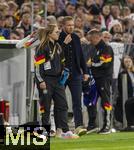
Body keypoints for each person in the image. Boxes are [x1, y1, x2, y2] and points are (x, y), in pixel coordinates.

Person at [34, 24, 79, 139]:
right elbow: (37, 67)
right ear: (49, 34)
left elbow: (63, 61)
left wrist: (64, 71)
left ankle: (65, 131)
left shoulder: (58, 46)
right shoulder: (41, 47)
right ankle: (44, 131)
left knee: (63, 105)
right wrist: (40, 81)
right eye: (56, 32)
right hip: (46, 80)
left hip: (58, 81)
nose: (58, 34)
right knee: (46, 107)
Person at [58, 16, 89, 136]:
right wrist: (64, 44)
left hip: (75, 74)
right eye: (69, 25)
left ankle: (79, 126)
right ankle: (61, 127)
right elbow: (57, 55)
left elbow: (81, 56)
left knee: (77, 101)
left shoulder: (76, 37)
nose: (71, 27)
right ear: (63, 26)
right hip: (61, 74)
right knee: (60, 102)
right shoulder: (58, 37)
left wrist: (85, 71)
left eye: (72, 25)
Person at [87, 29, 114, 134]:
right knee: (92, 101)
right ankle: (94, 125)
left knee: (105, 101)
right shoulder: (96, 48)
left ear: (97, 37)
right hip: (96, 78)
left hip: (104, 79)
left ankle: (107, 126)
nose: (90, 41)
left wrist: (92, 64)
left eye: (91, 38)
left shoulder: (106, 47)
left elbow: (105, 64)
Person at [114, 55, 134, 131]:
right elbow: (121, 89)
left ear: (132, 62)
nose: (128, 63)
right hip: (129, 96)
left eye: (129, 61)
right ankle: (130, 125)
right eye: (126, 62)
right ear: (123, 64)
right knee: (127, 103)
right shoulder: (122, 74)